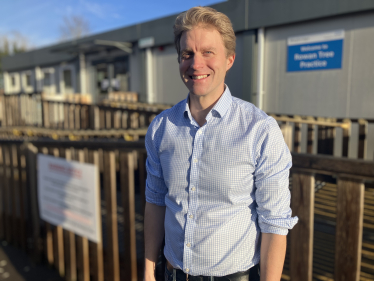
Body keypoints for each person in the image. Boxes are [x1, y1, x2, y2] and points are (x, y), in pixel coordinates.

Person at [144, 6, 298, 281]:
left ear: (229, 59)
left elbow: (275, 222)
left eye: (207, 52)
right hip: (171, 274)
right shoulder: (162, 128)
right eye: (187, 54)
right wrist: (147, 270)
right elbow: (155, 201)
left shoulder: (259, 130)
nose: (195, 64)